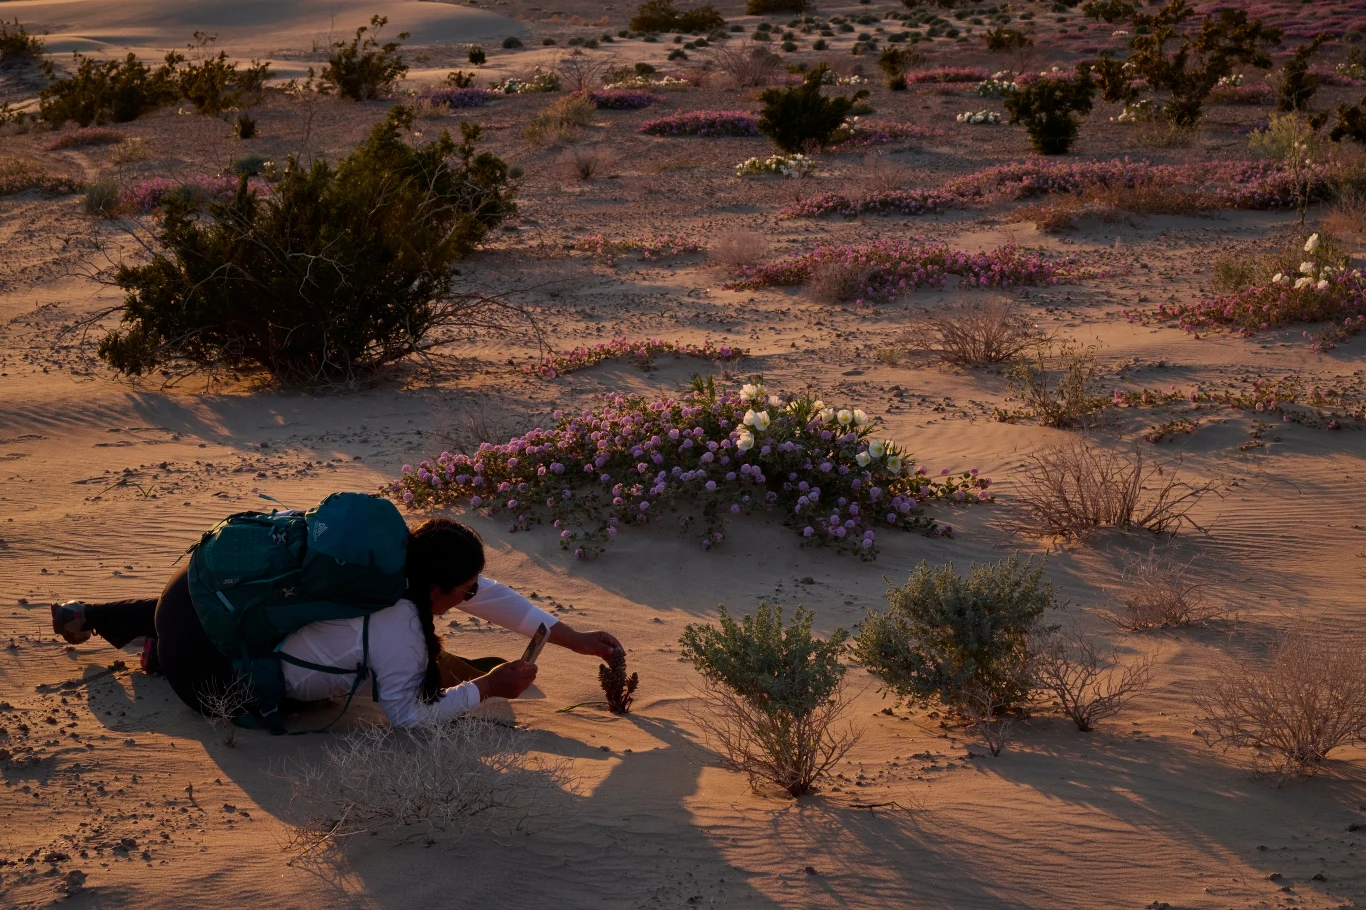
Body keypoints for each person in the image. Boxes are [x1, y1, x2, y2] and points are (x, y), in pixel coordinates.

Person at [51, 517, 622, 728]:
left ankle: (98, 616)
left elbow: (488, 593)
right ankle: (162, 657)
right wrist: (489, 689)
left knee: (230, 609)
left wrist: (568, 638)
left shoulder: (386, 553)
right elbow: (405, 714)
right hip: (207, 680)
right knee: (408, 674)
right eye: (463, 592)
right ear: (434, 587)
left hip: (189, 593)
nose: (472, 597)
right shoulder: (399, 626)